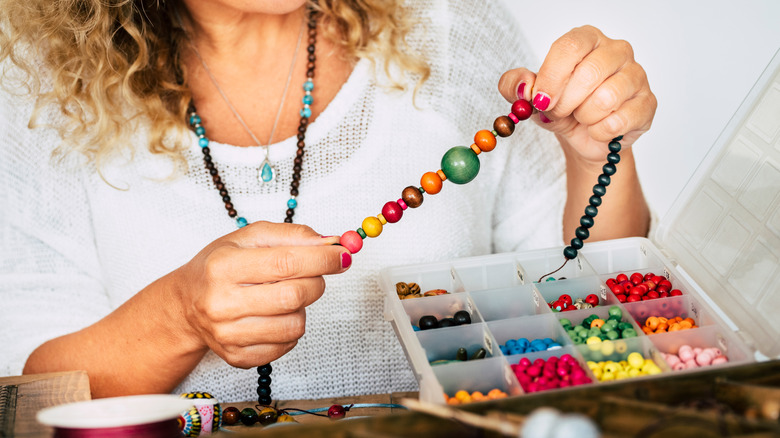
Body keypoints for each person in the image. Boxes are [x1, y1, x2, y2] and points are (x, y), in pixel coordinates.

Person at [0, 0, 654, 402]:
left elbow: (602, 303)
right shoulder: (42, 86)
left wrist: (597, 158)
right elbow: (32, 392)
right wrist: (180, 317)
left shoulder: (450, 27)